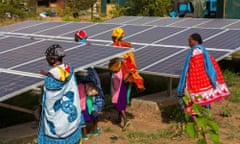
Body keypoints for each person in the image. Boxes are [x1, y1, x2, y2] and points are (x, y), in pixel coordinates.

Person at [176, 33, 230, 117]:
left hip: (198, 83)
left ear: (195, 41)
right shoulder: (203, 51)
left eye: (190, 41)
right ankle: (204, 118)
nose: (189, 43)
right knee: (205, 101)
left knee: (193, 99)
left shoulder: (196, 51)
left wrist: (190, 82)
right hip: (204, 82)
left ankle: (199, 121)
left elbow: (196, 69)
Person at [38, 44, 82, 144]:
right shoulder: (69, 69)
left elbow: (50, 103)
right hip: (70, 120)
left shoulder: (51, 79)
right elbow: (61, 74)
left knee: (55, 132)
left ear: (53, 60)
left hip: (58, 121)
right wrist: (48, 73)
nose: (46, 59)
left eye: (48, 57)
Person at [110, 27, 145, 131]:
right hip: (128, 75)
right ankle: (118, 117)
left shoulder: (114, 46)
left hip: (119, 75)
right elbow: (132, 61)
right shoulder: (127, 45)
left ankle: (125, 120)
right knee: (122, 95)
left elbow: (112, 62)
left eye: (112, 35)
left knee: (118, 97)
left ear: (115, 36)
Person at [74, 30, 104, 140]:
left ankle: (84, 133)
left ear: (77, 38)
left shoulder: (73, 48)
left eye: (75, 37)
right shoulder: (89, 45)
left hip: (80, 83)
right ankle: (95, 130)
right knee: (95, 102)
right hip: (91, 83)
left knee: (81, 107)